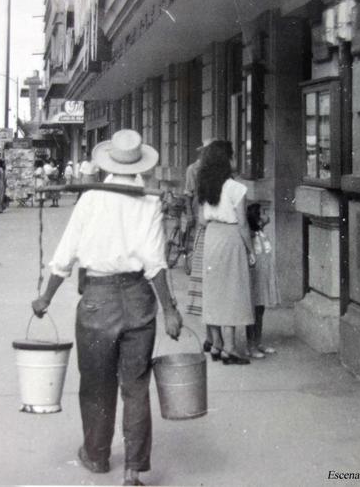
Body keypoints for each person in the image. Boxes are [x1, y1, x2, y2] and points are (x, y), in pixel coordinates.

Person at [32, 129, 182, 487]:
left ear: (108, 163)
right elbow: (155, 262)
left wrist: (45, 297)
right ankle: (132, 470)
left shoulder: (91, 199)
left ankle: (97, 456)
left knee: (96, 385)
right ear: (139, 163)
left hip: (97, 301)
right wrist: (169, 309)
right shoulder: (148, 201)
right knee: (135, 385)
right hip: (138, 298)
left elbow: (65, 254)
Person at [198, 140, 254, 365]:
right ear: (227, 160)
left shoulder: (205, 186)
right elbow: (242, 224)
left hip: (211, 237)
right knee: (231, 291)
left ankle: (217, 343)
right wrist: (251, 251)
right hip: (230, 238)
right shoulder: (236, 188)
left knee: (212, 291)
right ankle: (230, 348)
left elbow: (202, 220)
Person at [184, 139, 213, 350]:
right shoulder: (193, 169)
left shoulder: (216, 171)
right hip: (199, 212)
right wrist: (189, 214)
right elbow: (188, 195)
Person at [245, 202, 280, 359]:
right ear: (257, 219)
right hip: (255, 277)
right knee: (252, 311)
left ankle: (258, 342)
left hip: (264, 276)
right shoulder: (251, 236)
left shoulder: (261, 233)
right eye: (262, 213)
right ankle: (250, 345)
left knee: (260, 310)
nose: (267, 215)